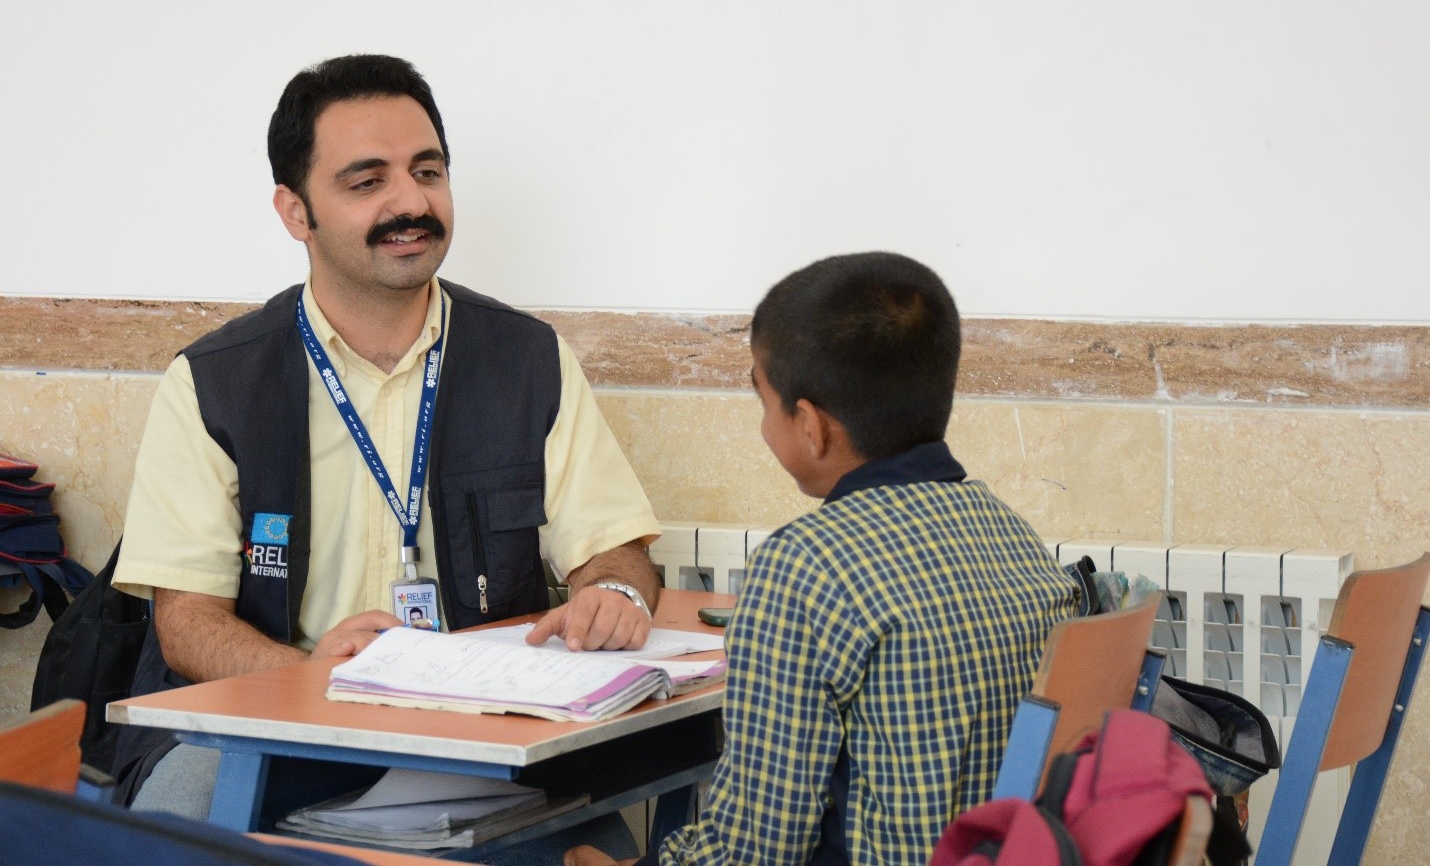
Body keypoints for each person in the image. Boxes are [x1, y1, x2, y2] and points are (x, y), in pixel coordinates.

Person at [111, 56, 662, 858]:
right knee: (178, 833)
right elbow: (186, 624)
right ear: (295, 211)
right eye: (368, 181)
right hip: (263, 722)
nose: (411, 202)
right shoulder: (214, 382)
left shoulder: (528, 360)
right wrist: (313, 673)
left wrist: (613, 592)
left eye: (427, 171)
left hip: (475, 737)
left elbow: (615, 549)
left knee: (600, 848)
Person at [567, 252, 1079, 866]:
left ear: (811, 426)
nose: (764, 427)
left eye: (764, 403)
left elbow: (756, 847)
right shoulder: (1010, 533)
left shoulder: (802, 567)